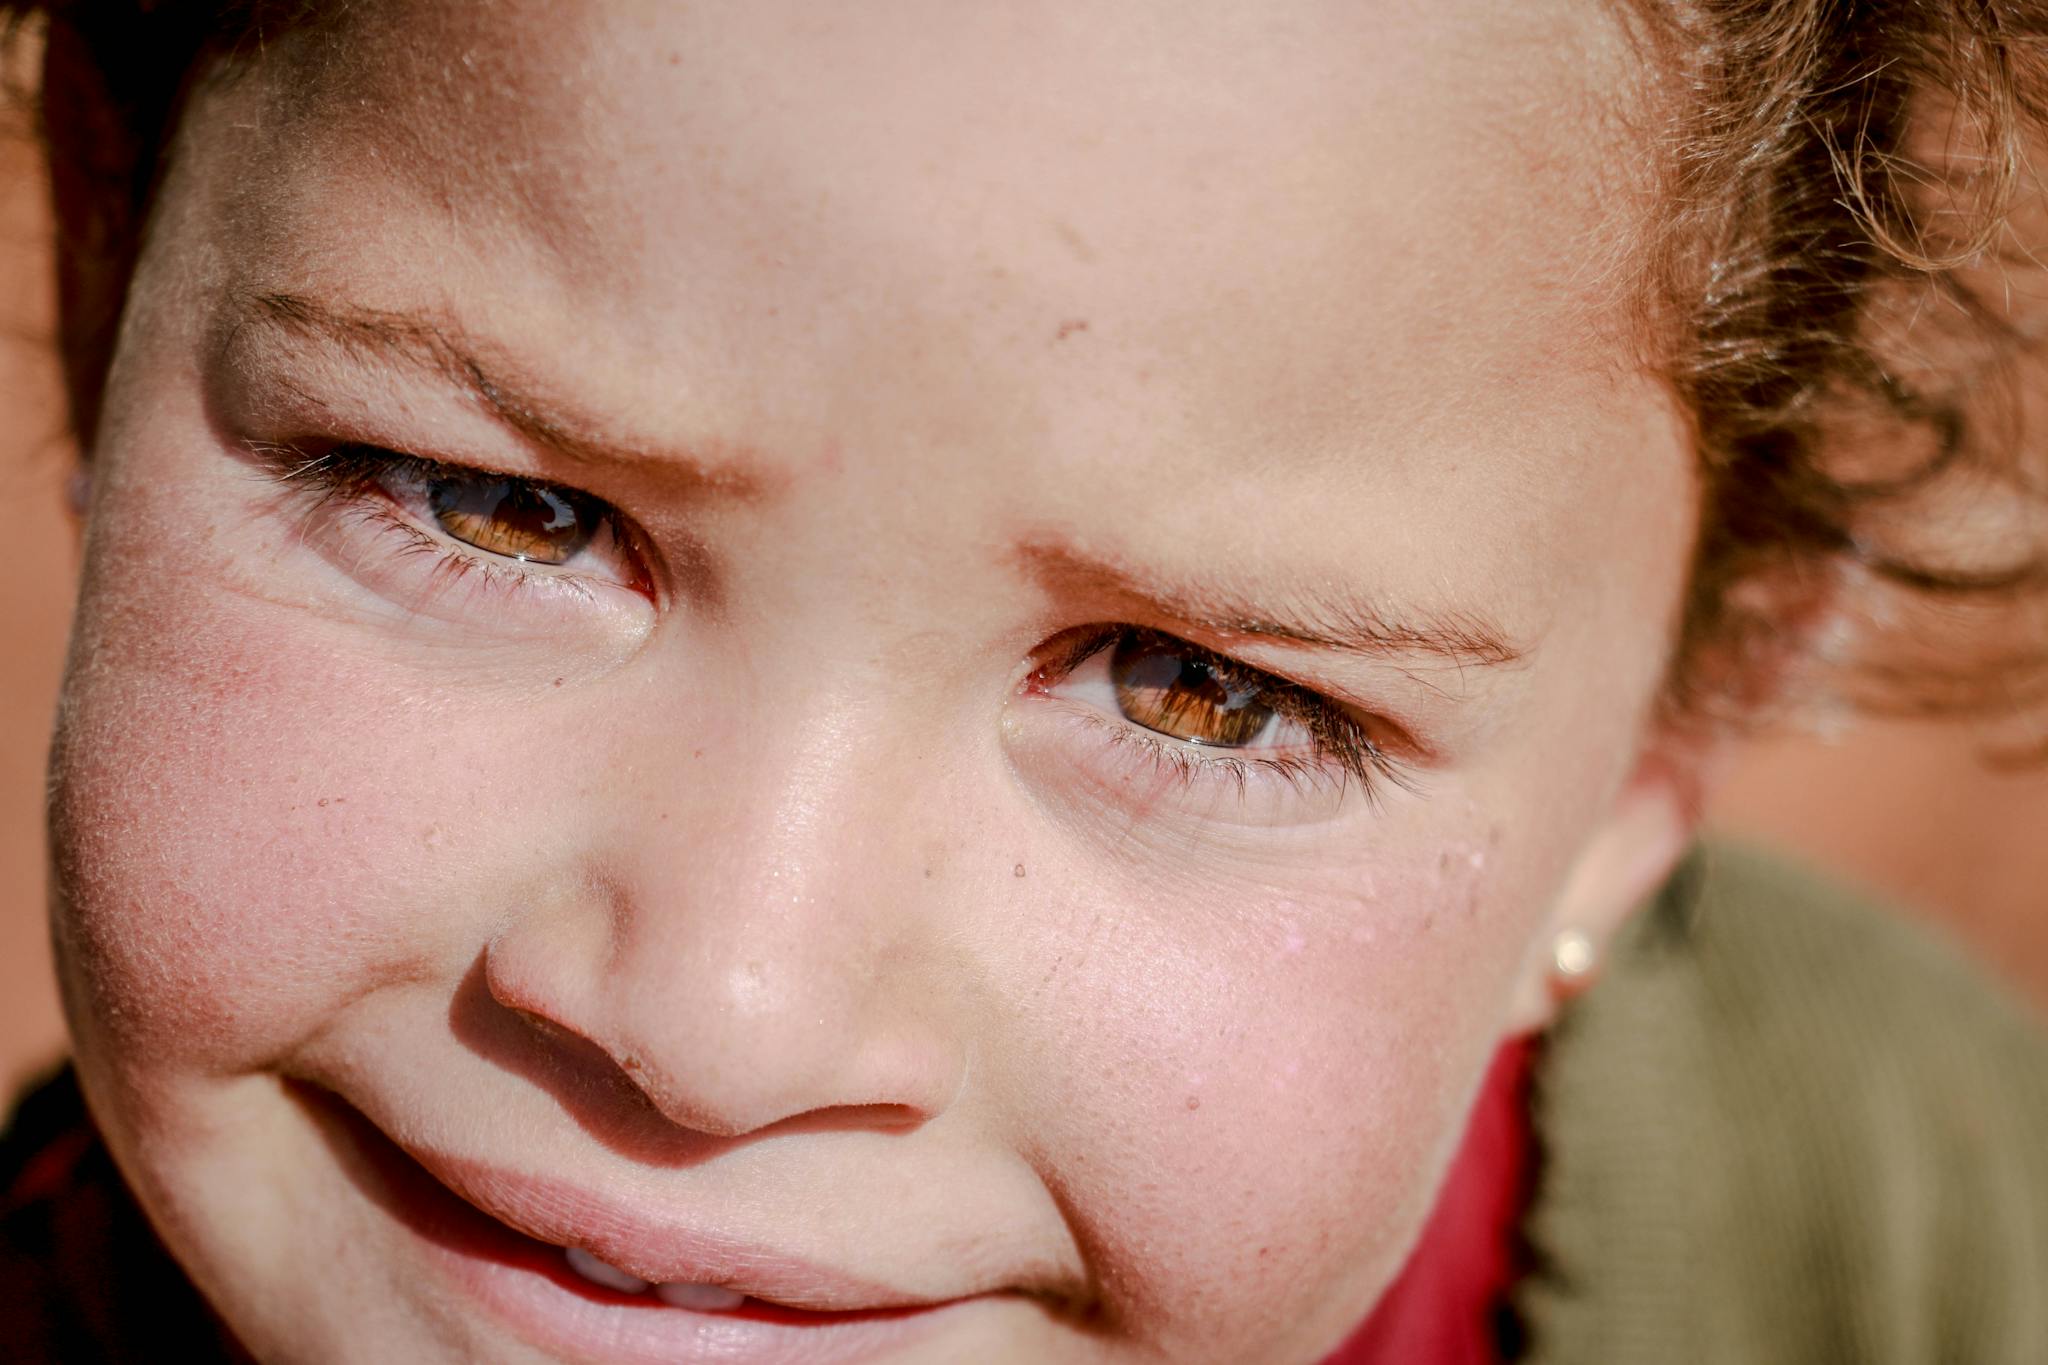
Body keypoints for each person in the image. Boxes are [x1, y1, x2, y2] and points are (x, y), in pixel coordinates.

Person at [3, 0, 2046, 1361]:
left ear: (1641, 780)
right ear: (110, 277)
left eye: (1197, 691)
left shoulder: (1927, 1218)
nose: (720, 1024)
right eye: (491, 506)